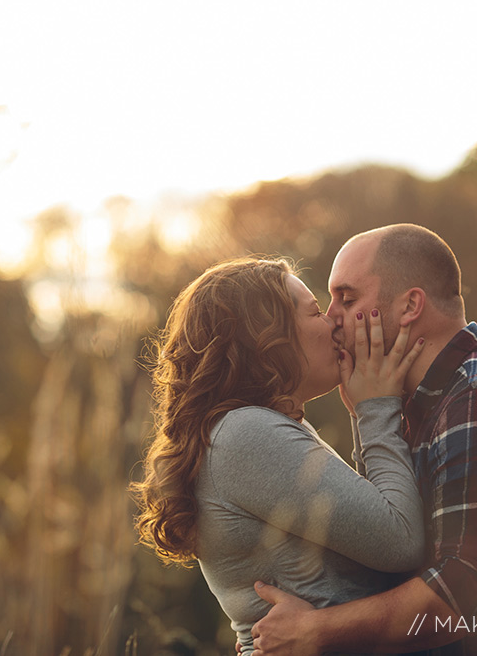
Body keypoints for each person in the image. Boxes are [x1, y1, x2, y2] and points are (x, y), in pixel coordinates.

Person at [250, 224, 477, 656]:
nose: (332, 318)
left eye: (347, 299)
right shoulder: (419, 407)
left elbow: (467, 593)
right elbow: (385, 559)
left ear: (410, 306)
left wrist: (317, 630)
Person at [132, 257, 428, 656]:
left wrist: (366, 410)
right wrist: (376, 409)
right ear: (267, 338)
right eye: (317, 312)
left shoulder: (248, 431)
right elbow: (402, 540)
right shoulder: (245, 435)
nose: (334, 324)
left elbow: (371, 529)